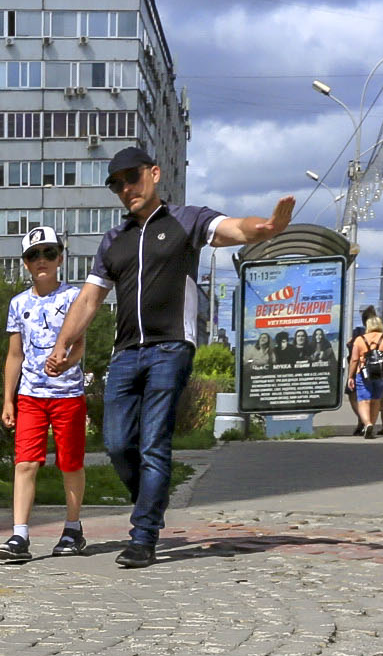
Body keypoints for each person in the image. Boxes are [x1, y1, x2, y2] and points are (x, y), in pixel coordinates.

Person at [44, 148, 293, 568]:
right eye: (117, 183)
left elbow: (232, 228)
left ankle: (143, 536)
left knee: (154, 442)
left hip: (171, 347)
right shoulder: (114, 240)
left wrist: (264, 228)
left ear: (154, 174)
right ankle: (152, 501)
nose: (126, 188)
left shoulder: (186, 220)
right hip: (125, 353)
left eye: (132, 178)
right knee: (119, 444)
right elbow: (88, 299)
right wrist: (62, 343)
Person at [0, 225, 88, 564]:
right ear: (25, 263)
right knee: (25, 463)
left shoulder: (73, 297)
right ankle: (19, 534)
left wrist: (66, 364)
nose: (42, 261)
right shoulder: (18, 303)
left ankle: (73, 528)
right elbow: (14, 355)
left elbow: (79, 347)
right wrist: (8, 398)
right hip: (31, 396)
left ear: (60, 258)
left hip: (67, 394)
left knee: (70, 462)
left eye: (49, 253)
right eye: (34, 255)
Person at [346, 314, 383, 437]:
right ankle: (373, 426)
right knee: (376, 400)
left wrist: (350, 376)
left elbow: (354, 360)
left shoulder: (359, 340)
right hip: (382, 373)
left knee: (363, 400)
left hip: (364, 373)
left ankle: (367, 424)